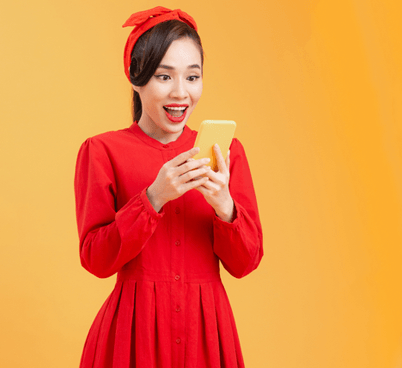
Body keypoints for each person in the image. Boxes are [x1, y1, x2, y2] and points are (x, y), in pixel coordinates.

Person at [73, 6, 264, 368]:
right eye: (164, 77)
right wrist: (153, 197)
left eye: (192, 78)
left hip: (206, 332)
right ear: (135, 77)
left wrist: (224, 205)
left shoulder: (226, 154)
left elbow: (245, 263)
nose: (181, 94)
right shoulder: (101, 151)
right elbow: (95, 259)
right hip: (133, 334)